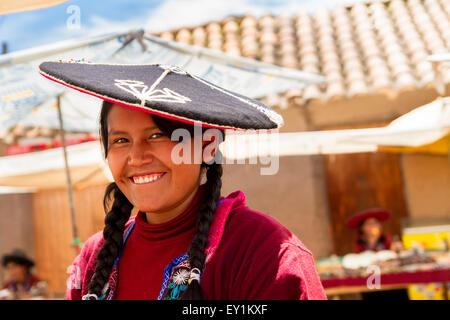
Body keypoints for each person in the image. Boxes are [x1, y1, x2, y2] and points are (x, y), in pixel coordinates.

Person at [39, 62, 326, 300]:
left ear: (207, 146)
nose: (137, 157)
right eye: (121, 140)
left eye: (157, 136)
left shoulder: (264, 253)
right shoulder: (94, 256)